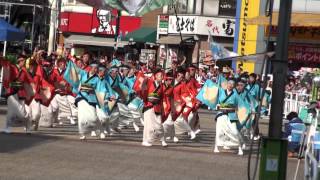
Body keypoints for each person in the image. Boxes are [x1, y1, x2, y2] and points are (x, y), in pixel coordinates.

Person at [1, 55, 34, 133]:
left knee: (22, 113)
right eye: (23, 61)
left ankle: (27, 126)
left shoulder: (24, 71)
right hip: (12, 92)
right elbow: (7, 67)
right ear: (19, 61)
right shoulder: (12, 68)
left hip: (21, 93)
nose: (24, 62)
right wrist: (3, 59)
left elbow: (29, 80)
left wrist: (33, 87)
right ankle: (7, 127)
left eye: (24, 61)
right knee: (10, 112)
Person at [214, 78, 244, 155]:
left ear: (234, 86)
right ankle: (216, 146)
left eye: (232, 84)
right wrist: (219, 106)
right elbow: (217, 102)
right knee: (219, 131)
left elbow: (238, 105)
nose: (230, 85)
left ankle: (239, 147)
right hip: (221, 114)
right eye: (229, 83)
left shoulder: (235, 95)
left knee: (234, 131)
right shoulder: (221, 92)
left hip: (231, 115)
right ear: (227, 84)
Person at [141, 68, 167, 147]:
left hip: (157, 107)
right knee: (148, 126)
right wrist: (144, 84)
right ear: (155, 76)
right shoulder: (149, 82)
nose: (162, 77)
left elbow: (162, 97)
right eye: (160, 75)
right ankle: (145, 140)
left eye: (162, 75)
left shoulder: (162, 86)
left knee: (159, 125)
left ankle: (154, 138)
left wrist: (163, 108)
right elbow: (143, 91)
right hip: (149, 106)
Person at [49, 58, 77, 126]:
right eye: (61, 63)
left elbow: (70, 82)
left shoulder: (67, 72)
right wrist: (55, 85)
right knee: (54, 107)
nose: (63, 65)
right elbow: (50, 81)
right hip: (55, 91)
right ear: (58, 64)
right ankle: (54, 120)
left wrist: (66, 84)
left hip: (63, 91)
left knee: (66, 104)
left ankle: (70, 117)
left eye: (64, 63)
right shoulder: (54, 71)